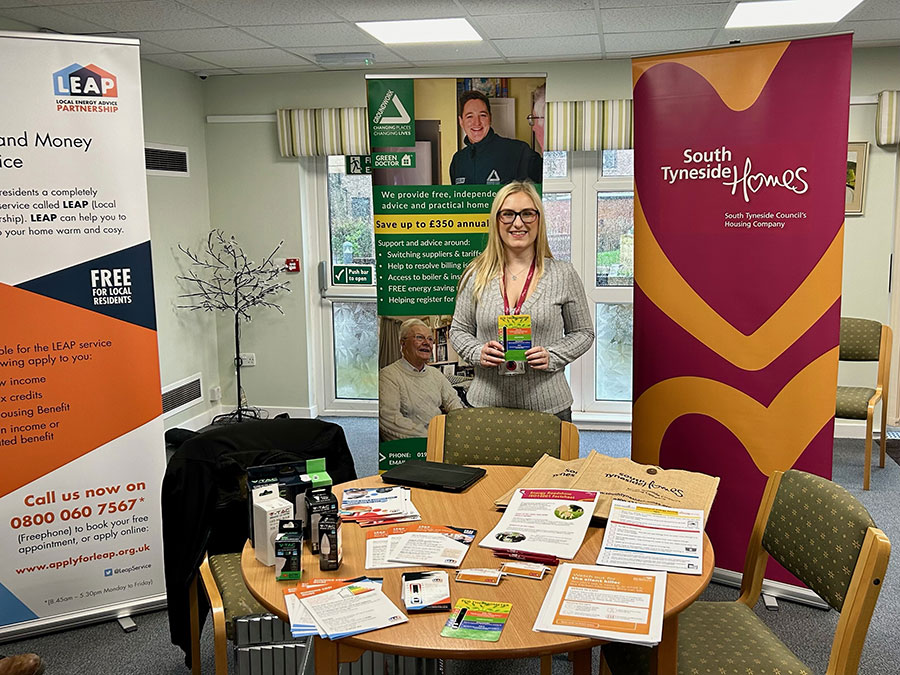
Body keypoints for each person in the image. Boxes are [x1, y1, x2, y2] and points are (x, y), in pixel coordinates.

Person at [449, 181, 593, 421]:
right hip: (486, 407)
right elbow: (459, 330)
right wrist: (476, 352)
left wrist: (553, 355)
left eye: (527, 213)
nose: (518, 223)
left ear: (539, 219)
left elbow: (584, 333)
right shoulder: (475, 274)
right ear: (497, 221)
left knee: (550, 462)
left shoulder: (564, 274)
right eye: (508, 214)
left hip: (549, 408)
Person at [379, 318, 464, 441]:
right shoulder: (388, 376)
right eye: (419, 337)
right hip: (410, 448)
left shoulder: (436, 374)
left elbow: (453, 403)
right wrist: (432, 438)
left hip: (442, 440)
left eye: (430, 339)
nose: (426, 343)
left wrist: (459, 428)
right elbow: (389, 420)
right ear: (403, 343)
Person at [449, 91, 543, 186]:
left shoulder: (518, 151)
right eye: (469, 116)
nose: (476, 123)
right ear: (461, 121)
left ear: (490, 118)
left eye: (482, 115)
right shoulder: (458, 161)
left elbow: (549, 183)